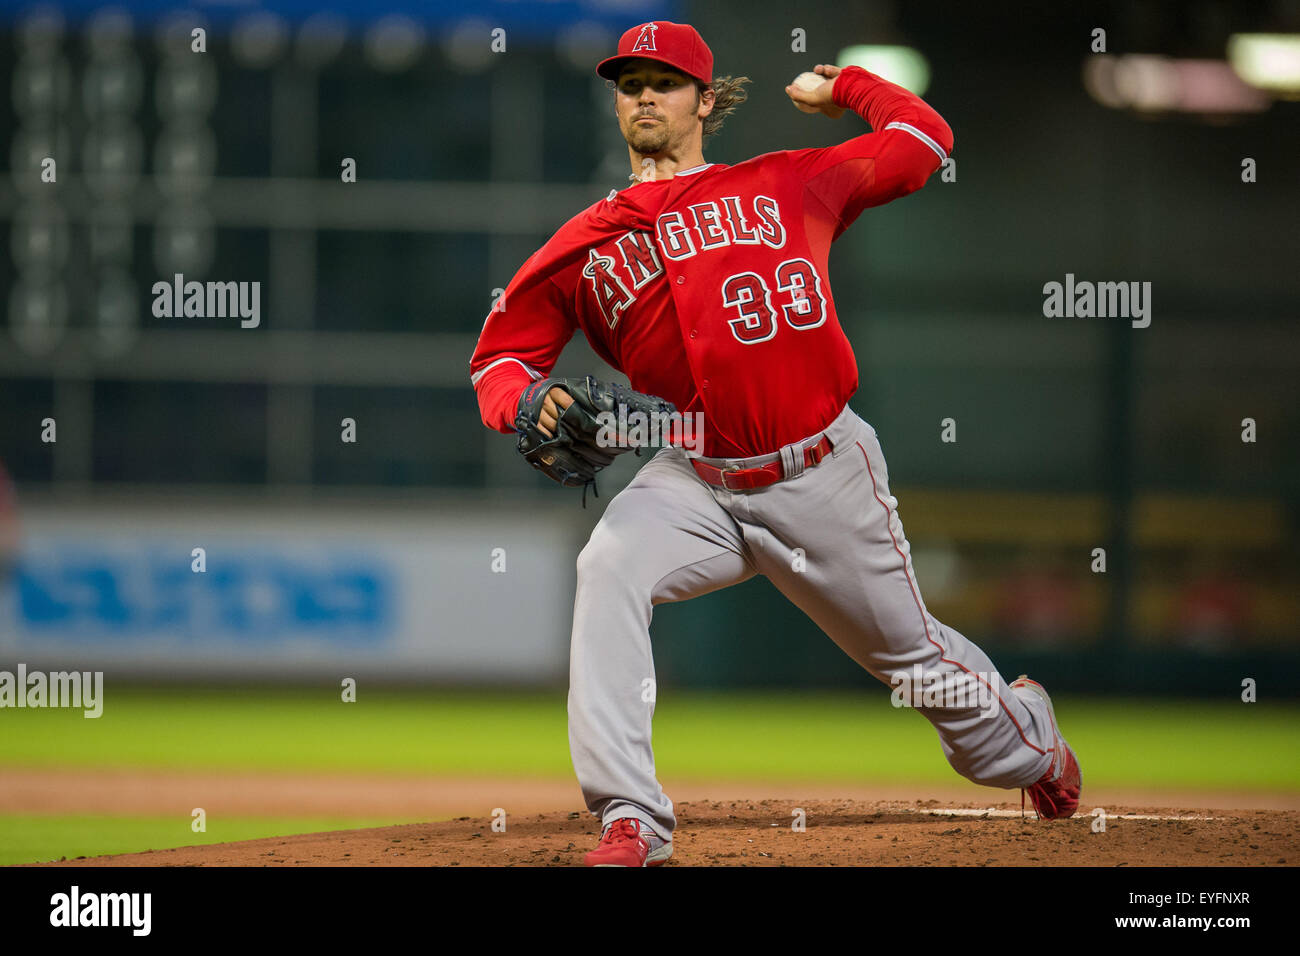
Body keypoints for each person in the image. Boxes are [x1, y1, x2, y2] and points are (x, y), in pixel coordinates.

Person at [469, 20, 1080, 867]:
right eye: (629, 82)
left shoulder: (789, 183)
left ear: (706, 100)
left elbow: (922, 143)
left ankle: (1030, 741)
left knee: (913, 664)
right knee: (605, 567)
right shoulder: (582, 246)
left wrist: (851, 87)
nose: (645, 93)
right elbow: (498, 357)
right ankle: (630, 819)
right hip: (693, 470)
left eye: (666, 80)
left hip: (823, 468)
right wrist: (524, 398)